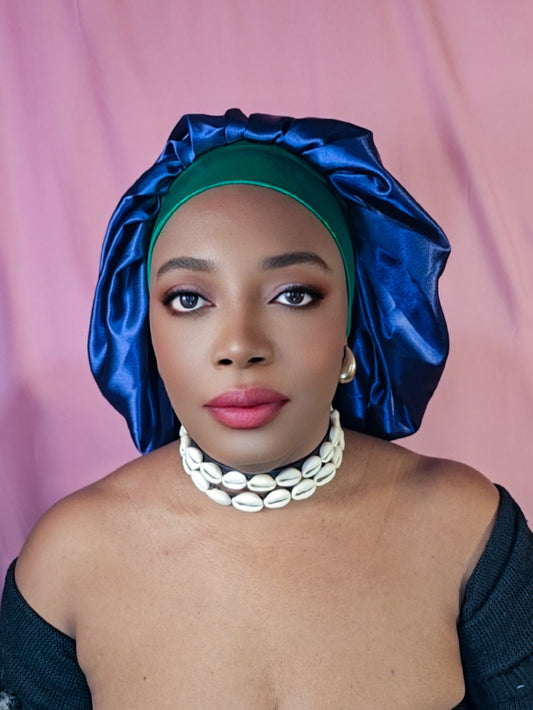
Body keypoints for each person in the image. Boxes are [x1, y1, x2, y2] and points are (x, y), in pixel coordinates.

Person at [1, 109, 531, 709]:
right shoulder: (65, 564)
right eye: (189, 299)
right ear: (146, 333)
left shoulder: (467, 531)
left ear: (352, 323)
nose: (240, 346)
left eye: (293, 295)